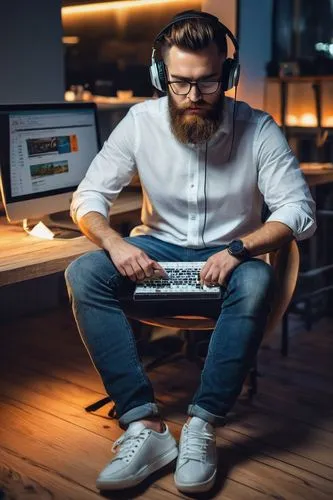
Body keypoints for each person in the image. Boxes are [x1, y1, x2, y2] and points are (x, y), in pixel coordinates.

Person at [65, 10, 316, 494]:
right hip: (156, 253)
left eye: (207, 83)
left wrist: (240, 249)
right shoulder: (140, 122)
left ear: (229, 75)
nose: (193, 97)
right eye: (179, 83)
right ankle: (144, 426)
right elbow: (88, 196)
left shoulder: (259, 128)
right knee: (84, 274)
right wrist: (116, 243)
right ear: (161, 76)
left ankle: (202, 425)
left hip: (229, 261)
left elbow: (297, 210)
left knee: (257, 278)